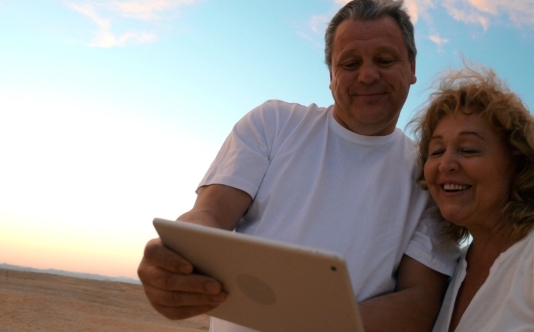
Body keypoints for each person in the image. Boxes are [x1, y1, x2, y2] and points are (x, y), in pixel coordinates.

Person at [137, 1, 459, 331]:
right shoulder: (274, 123)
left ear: (412, 66)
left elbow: (420, 301)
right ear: (331, 76)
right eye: (349, 63)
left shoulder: (431, 173)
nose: (367, 75)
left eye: (385, 59)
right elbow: (211, 213)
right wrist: (181, 255)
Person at [410, 64, 534, 332]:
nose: (445, 164)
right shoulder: (450, 268)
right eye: (436, 151)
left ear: (517, 162)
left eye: (468, 149)